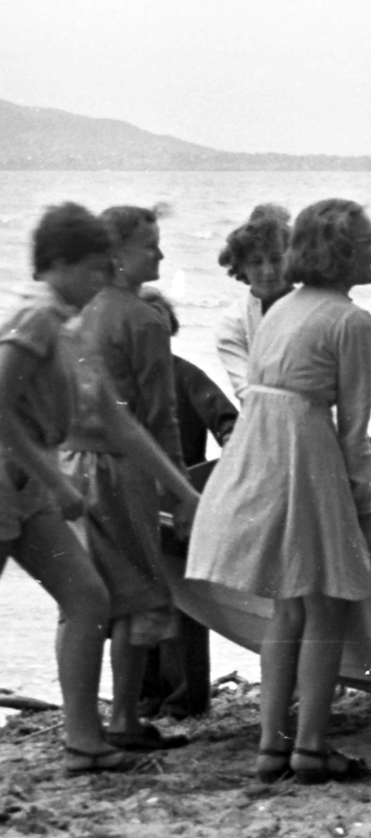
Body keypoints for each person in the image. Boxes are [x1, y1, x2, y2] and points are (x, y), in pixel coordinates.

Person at [185, 199, 371, 785]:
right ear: (345, 254)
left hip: (258, 448)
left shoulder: (280, 309)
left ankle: (272, 744)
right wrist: (363, 508)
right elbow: (354, 429)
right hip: (304, 451)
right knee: (326, 600)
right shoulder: (352, 320)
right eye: (369, 242)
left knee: (286, 605)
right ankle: (312, 747)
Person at [0, 203, 200, 774]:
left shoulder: (70, 324)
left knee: (89, 598)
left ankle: (85, 740)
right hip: (11, 484)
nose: (100, 279)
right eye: (92, 269)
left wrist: (182, 492)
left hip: (30, 488)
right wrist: (54, 478)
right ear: (57, 263)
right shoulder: (36, 317)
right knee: (88, 599)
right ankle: (87, 736)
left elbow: (117, 422)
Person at [63, 204, 187, 752]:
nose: (160, 254)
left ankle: (84, 720)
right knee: (138, 591)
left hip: (69, 466)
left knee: (88, 595)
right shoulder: (142, 320)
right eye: (150, 246)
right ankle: (125, 719)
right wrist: (181, 490)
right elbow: (160, 418)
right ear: (117, 255)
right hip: (121, 468)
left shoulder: (77, 312)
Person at [137, 290, 237, 721]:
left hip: (180, 509)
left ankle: (185, 701)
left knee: (183, 606)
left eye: (159, 330)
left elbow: (230, 425)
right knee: (138, 602)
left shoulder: (185, 376)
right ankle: (146, 697)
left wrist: (212, 483)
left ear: (171, 332)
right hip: (134, 504)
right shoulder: (123, 383)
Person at [215, 204, 293, 397]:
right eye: (256, 262)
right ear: (241, 266)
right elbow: (245, 391)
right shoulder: (233, 323)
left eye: (276, 259)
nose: (268, 271)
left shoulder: (315, 309)